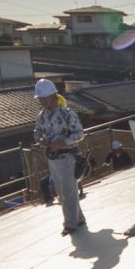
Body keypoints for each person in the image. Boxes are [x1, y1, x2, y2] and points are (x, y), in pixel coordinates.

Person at [33, 78, 86, 236]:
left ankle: (70, 224)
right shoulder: (42, 116)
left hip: (69, 157)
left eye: (44, 98)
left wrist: (63, 142)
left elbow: (80, 134)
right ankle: (79, 218)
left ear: (53, 96)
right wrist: (40, 139)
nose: (41, 101)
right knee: (62, 192)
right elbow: (36, 132)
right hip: (53, 159)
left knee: (68, 192)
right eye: (40, 99)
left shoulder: (68, 114)